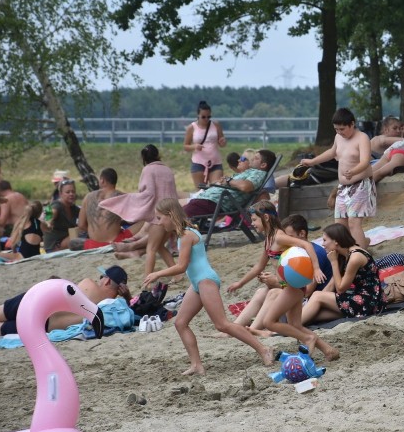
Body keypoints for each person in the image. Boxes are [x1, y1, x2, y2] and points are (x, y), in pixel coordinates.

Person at [142, 198, 273, 376]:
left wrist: (157, 273)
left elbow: (181, 266)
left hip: (206, 280)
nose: (158, 222)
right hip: (197, 282)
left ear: (170, 215)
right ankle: (196, 365)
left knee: (222, 324)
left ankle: (263, 349)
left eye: (160, 218)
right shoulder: (183, 234)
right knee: (180, 323)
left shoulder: (187, 235)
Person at [228, 213, 333, 338]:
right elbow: (260, 266)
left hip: (307, 300)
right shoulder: (291, 250)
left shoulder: (313, 253)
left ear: (302, 234)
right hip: (296, 292)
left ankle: (251, 330)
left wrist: (276, 282)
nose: (286, 241)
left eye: (289, 237)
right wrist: (242, 283)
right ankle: (234, 329)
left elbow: (308, 290)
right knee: (262, 291)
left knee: (273, 296)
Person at [299, 108, 374, 248]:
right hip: (343, 186)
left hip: (361, 183)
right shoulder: (338, 137)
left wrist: (353, 171)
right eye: (336, 129)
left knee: (353, 222)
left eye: (342, 129)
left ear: (352, 124)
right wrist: (312, 161)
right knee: (339, 224)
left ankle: (361, 256)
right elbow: (332, 152)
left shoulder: (362, 138)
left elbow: (365, 161)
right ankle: (353, 250)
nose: (339, 132)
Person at [101, 144, 180, 277]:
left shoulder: (148, 170)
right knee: (160, 247)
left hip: (160, 216)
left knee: (151, 248)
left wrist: (131, 199)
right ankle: (178, 275)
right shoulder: (167, 169)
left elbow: (148, 193)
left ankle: (147, 281)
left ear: (143, 158)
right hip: (173, 213)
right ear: (158, 155)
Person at [0, 266, 130, 336]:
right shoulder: (111, 310)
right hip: (44, 326)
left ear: (107, 280)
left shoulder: (88, 284)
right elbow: (134, 311)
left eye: (102, 276)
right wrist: (127, 297)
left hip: (40, 302)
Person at [301, 223, 385, 327]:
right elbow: (332, 284)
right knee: (315, 313)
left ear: (336, 241)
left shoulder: (355, 257)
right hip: (358, 298)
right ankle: (289, 326)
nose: (322, 244)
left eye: (324, 240)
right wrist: (314, 302)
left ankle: (288, 327)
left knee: (317, 296)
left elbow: (340, 289)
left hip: (370, 302)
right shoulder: (344, 254)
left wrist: (334, 263)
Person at [182, 149, 278, 217]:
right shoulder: (250, 172)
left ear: (263, 165)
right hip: (207, 200)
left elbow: (245, 186)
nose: (252, 159)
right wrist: (223, 182)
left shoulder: (259, 173)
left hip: (215, 203)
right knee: (174, 214)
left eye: (256, 158)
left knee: (177, 217)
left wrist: (228, 181)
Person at [69, 168, 133, 250]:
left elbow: (81, 225)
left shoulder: (88, 197)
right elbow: (134, 218)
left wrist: (94, 230)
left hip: (94, 244)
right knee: (146, 221)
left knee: (73, 242)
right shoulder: (123, 196)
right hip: (117, 241)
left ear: (102, 180)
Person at [183, 100, 227, 186]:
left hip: (215, 162)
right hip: (198, 163)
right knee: (201, 192)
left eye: (208, 117)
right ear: (198, 115)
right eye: (203, 117)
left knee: (216, 188)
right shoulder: (191, 127)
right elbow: (185, 146)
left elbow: (222, 144)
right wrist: (194, 146)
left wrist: (223, 142)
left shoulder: (216, 125)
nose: (206, 119)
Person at [42, 179, 79, 251]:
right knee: (78, 234)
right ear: (60, 194)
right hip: (54, 246)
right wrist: (48, 221)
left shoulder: (74, 208)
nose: (71, 194)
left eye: (73, 192)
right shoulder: (57, 205)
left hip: (65, 241)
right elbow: (48, 215)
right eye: (67, 192)